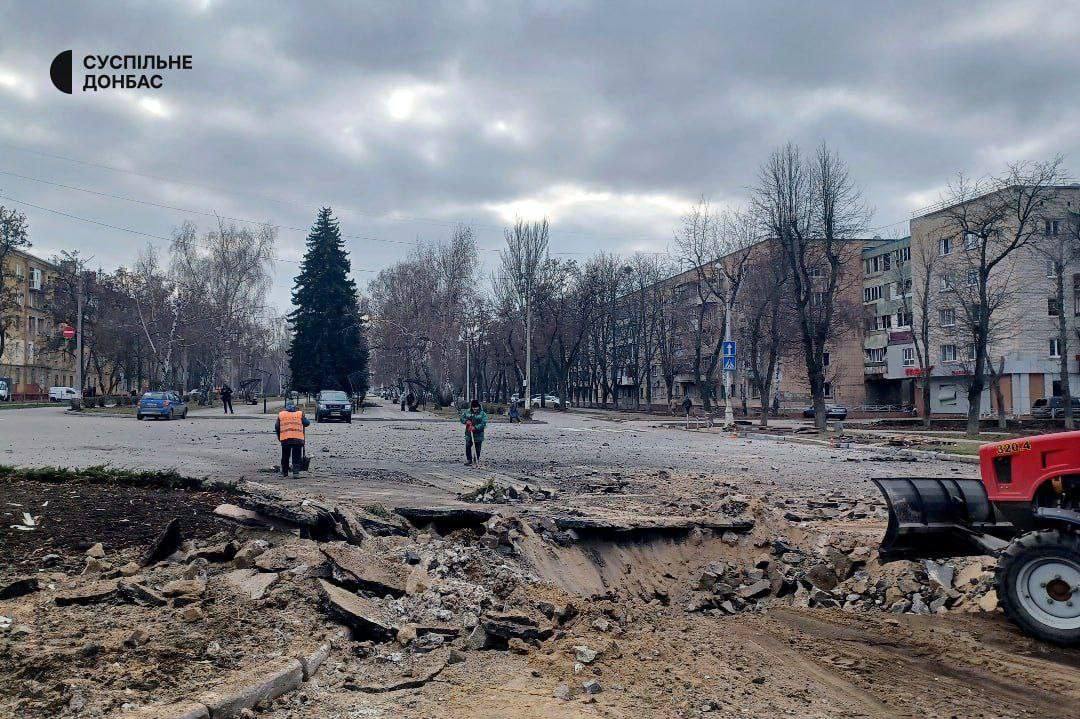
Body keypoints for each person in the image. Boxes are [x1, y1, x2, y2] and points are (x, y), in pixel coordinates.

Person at [274, 401, 310, 478]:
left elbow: (277, 427)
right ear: (295, 407)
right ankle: (296, 473)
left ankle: (284, 472)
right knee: (296, 456)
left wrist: (279, 437)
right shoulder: (299, 414)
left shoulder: (281, 414)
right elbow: (307, 423)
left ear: (286, 407)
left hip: (285, 439)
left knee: (285, 456)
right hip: (297, 439)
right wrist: (303, 417)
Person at [459, 399, 488, 467]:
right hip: (469, 434)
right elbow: (462, 418)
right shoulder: (467, 412)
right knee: (468, 446)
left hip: (479, 434)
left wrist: (475, 428)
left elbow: (483, 424)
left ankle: (476, 460)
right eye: (473, 407)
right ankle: (469, 460)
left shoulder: (482, 414)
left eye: (476, 407)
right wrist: (466, 421)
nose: (474, 409)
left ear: (478, 406)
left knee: (477, 448)